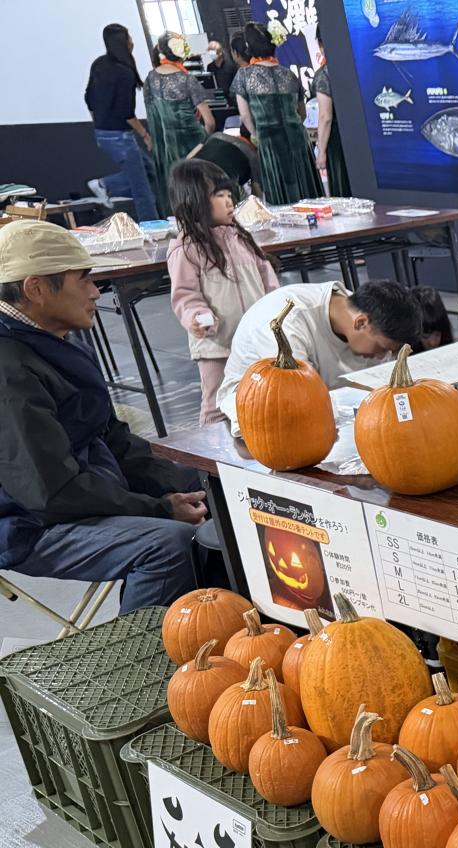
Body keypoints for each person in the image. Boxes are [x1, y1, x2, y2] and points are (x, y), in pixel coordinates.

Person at [0, 222, 206, 612]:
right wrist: (161, 508)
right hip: (28, 524)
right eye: (85, 280)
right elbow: (52, 493)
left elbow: (108, 433)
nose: (97, 292)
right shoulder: (9, 371)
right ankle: (142, 661)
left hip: (83, 486)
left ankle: (220, 626)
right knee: (168, 544)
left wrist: (176, 485)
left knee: (212, 486)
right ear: (35, 289)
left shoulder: (53, 336)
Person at [217, 279, 422, 427]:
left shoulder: (365, 315)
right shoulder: (289, 323)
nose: (382, 356)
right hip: (260, 412)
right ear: (361, 323)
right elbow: (295, 399)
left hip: (329, 408)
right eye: (382, 348)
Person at [166, 160, 279, 427]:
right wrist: (198, 316)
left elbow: (267, 280)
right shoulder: (186, 248)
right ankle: (213, 465)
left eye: (230, 195)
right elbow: (185, 295)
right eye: (219, 195)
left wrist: (275, 311)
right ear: (193, 200)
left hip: (256, 342)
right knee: (217, 404)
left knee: (265, 395)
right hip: (217, 346)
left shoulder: (241, 238)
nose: (229, 202)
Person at [231, 23, 321, 205]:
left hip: (269, 141)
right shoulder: (288, 74)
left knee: (281, 193)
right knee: (305, 187)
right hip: (297, 138)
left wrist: (256, 134)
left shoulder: (244, 75)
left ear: (249, 47)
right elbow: (301, 113)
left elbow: (245, 116)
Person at [84, 24, 159, 222]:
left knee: (150, 171)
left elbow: (89, 98)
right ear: (123, 43)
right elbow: (127, 112)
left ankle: (105, 185)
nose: (133, 41)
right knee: (142, 191)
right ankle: (105, 185)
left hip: (102, 133)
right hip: (120, 137)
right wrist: (145, 134)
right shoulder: (124, 72)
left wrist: (99, 121)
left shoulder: (99, 64)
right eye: (129, 37)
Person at [144, 33, 215, 215]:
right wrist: (204, 143)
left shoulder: (150, 79)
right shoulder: (186, 79)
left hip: (167, 147)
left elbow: (154, 120)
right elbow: (210, 122)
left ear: (161, 51)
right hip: (193, 141)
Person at [311, 32, 351, 196]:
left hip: (338, 140)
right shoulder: (354, 65)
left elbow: (326, 116)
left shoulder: (324, 75)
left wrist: (321, 152)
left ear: (321, 45)